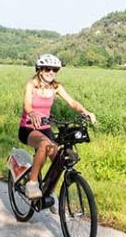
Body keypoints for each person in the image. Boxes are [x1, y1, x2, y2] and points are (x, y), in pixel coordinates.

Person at [19, 54, 96, 199]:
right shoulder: (31, 84)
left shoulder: (56, 87)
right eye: (48, 69)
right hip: (28, 127)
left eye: (55, 70)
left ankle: (48, 191)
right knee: (44, 144)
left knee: (59, 160)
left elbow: (72, 103)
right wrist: (32, 113)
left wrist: (86, 112)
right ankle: (32, 184)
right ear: (40, 70)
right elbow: (27, 104)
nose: (51, 72)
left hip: (45, 128)